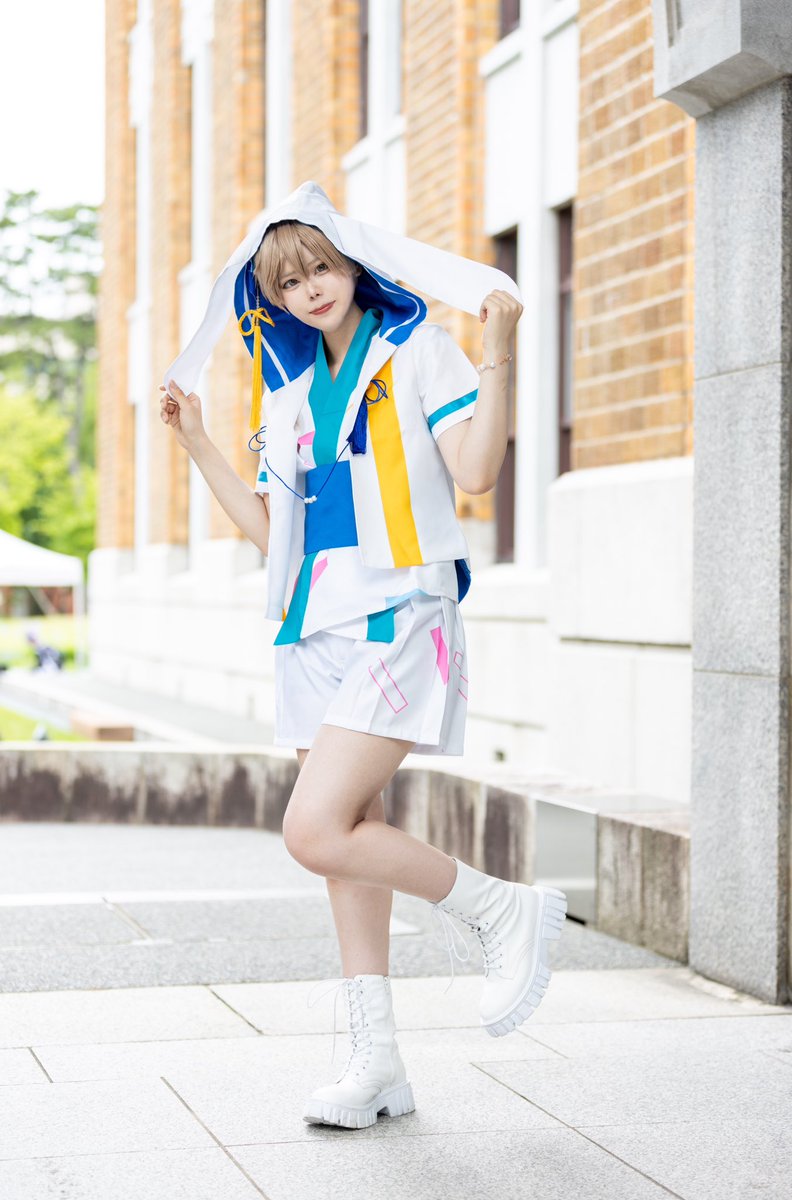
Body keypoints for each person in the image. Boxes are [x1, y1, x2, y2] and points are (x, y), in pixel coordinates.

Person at [160, 181, 567, 1130]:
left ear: (352, 264)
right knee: (345, 842)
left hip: (400, 611)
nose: (309, 289)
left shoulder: (418, 349)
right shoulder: (289, 395)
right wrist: (199, 443)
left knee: (312, 831)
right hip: (312, 627)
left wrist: (498, 352)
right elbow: (277, 534)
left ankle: (500, 909)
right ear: (272, 298)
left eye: (321, 267)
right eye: (288, 281)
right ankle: (376, 1062)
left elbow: (476, 473)